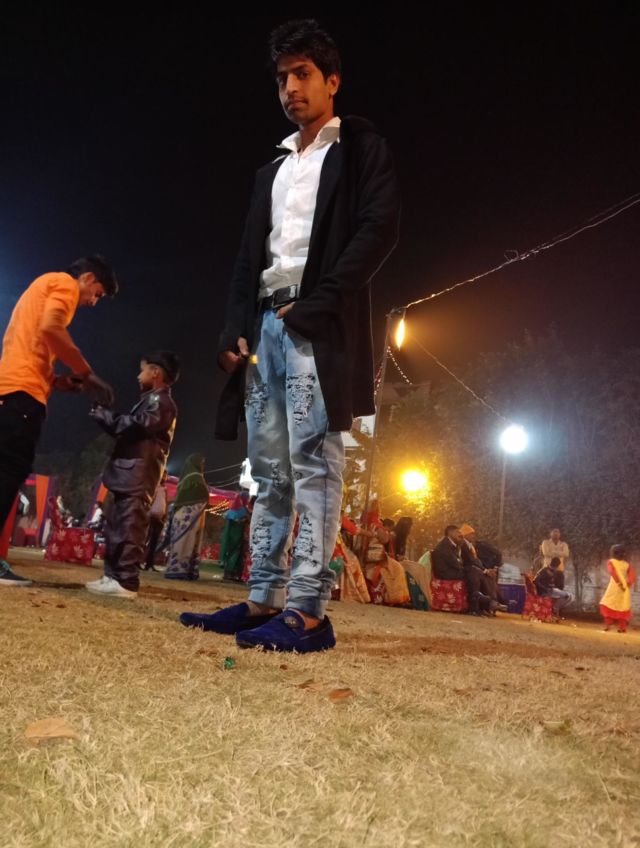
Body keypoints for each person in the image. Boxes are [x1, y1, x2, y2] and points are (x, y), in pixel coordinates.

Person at [182, 20, 400, 652]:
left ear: (332, 80)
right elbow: (247, 258)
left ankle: (307, 610)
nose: (290, 88)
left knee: (314, 463)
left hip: (316, 327)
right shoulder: (272, 169)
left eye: (303, 74)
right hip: (265, 330)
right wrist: (234, 328)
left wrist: (319, 304)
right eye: (282, 78)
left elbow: (379, 229)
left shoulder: (360, 150)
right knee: (269, 469)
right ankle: (263, 600)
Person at [0, 255, 117, 586]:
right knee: (8, 474)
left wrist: (60, 382)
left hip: (11, 389)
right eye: (98, 293)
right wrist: (87, 373)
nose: (93, 302)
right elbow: (51, 328)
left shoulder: (43, 286)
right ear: (88, 278)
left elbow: (34, 346)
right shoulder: (64, 284)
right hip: (23, 396)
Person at [86, 351, 179, 598]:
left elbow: (138, 426)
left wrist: (107, 417)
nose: (138, 376)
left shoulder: (162, 402)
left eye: (143, 370)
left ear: (155, 372)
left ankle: (126, 581)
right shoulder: (151, 400)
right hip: (129, 474)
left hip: (138, 475)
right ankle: (112, 576)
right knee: (117, 528)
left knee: (129, 528)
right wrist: (107, 418)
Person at [164, 454, 209, 581]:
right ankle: (180, 570)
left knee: (183, 542)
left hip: (183, 517)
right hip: (188, 519)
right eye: (201, 462)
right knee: (186, 541)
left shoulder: (186, 479)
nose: (203, 465)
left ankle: (178, 569)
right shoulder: (195, 478)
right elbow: (202, 496)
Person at [600, 544, 636, 633]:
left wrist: (619, 583)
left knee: (607, 603)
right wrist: (627, 585)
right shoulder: (627, 564)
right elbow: (632, 576)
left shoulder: (611, 562)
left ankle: (608, 625)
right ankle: (622, 628)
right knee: (622, 606)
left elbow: (612, 572)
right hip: (624, 588)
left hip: (614, 587)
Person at [143, 471, 168, 570]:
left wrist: (164, 516)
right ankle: (137, 561)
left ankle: (149, 563)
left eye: (166, 476)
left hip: (160, 518)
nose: (164, 478)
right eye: (163, 475)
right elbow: (150, 500)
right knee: (145, 539)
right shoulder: (154, 486)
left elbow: (165, 503)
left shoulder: (165, 489)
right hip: (151, 516)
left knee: (154, 542)